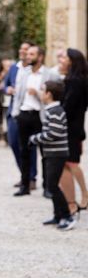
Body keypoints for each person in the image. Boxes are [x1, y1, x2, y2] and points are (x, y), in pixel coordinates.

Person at [29, 80, 76, 230]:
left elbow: (54, 133)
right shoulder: (52, 109)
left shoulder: (55, 111)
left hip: (57, 154)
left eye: (42, 91)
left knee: (52, 186)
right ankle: (57, 215)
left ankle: (67, 216)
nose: (40, 93)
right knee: (51, 184)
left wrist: (35, 138)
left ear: (48, 94)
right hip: (52, 153)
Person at [13, 45, 56, 196]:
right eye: (28, 54)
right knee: (24, 151)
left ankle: (47, 187)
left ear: (40, 57)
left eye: (31, 54)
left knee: (45, 152)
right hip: (24, 115)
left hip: (41, 116)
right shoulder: (23, 73)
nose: (28, 56)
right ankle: (25, 186)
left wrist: (37, 93)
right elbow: (17, 95)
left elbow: (53, 97)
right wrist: (16, 113)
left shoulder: (49, 74)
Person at [58, 48, 88, 215]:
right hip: (71, 128)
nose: (61, 59)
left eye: (64, 57)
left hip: (71, 129)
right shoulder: (73, 79)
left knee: (72, 163)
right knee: (68, 163)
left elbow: (69, 108)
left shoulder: (75, 82)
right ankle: (72, 197)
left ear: (72, 61)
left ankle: (84, 194)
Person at [4, 42, 37, 188]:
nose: (22, 51)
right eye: (21, 49)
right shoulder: (13, 68)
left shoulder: (34, 70)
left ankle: (32, 178)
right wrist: (8, 89)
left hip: (29, 111)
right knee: (14, 143)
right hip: (13, 112)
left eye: (26, 49)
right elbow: (5, 85)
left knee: (30, 146)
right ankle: (24, 174)